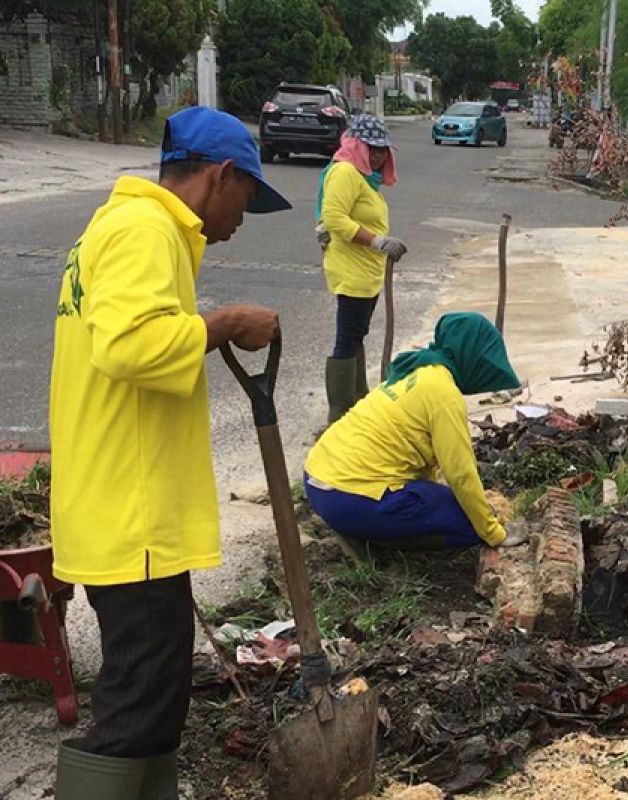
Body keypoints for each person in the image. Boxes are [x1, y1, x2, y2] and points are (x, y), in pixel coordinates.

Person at [50, 106, 291, 799]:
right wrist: (227, 323)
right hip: (132, 508)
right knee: (137, 702)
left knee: (156, 693)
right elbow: (130, 347)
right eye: (248, 196)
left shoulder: (125, 227)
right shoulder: (144, 230)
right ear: (220, 176)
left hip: (123, 502)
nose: (245, 216)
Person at [304, 313, 527, 550]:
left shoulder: (418, 368)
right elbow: (460, 473)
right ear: (471, 356)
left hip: (318, 481)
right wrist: (494, 533)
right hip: (349, 499)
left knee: (444, 501)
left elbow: (422, 462)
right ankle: (385, 543)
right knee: (470, 523)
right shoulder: (444, 394)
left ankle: (374, 528)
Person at [316, 113, 407, 423]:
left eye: (383, 150)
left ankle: (357, 400)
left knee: (356, 335)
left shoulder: (366, 178)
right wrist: (377, 242)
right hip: (351, 270)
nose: (379, 155)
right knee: (347, 337)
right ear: (357, 146)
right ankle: (340, 414)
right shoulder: (345, 173)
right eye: (373, 149)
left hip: (368, 272)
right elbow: (334, 218)